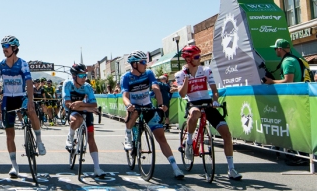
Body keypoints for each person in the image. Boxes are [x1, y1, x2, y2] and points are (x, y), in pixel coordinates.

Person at [176, 45, 242, 180]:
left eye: (199, 56)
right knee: (194, 113)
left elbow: (214, 88)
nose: (199, 59)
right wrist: (187, 78)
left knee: (227, 134)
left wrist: (216, 99)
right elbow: (182, 94)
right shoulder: (180, 74)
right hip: (193, 103)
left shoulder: (206, 70)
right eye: (196, 57)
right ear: (188, 59)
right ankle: (189, 142)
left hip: (207, 102)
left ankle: (231, 169)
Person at [121, 51, 184, 180]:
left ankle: (175, 167)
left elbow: (155, 88)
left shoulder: (148, 73)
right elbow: (125, 96)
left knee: (161, 137)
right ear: (134, 64)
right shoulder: (126, 77)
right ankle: (128, 136)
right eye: (143, 62)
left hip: (148, 106)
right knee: (132, 115)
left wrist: (161, 105)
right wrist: (128, 105)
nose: (146, 64)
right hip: (134, 106)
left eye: (146, 62)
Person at [0, 35, 46, 178]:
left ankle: (39, 141)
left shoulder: (22, 63)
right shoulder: (0, 64)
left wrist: (30, 100)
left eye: (6, 47)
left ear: (14, 48)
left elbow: (29, 82)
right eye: (2, 47)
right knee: (9, 134)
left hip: (21, 96)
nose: (4, 49)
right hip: (8, 99)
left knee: (32, 111)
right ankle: (14, 165)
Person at [63, 64, 106, 177]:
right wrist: (88, 107)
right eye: (81, 75)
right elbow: (69, 105)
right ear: (74, 76)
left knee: (91, 139)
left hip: (85, 111)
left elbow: (94, 104)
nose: (84, 78)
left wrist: (82, 104)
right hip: (73, 112)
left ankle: (97, 168)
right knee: (77, 119)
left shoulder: (87, 86)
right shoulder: (67, 84)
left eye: (85, 75)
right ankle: (70, 136)